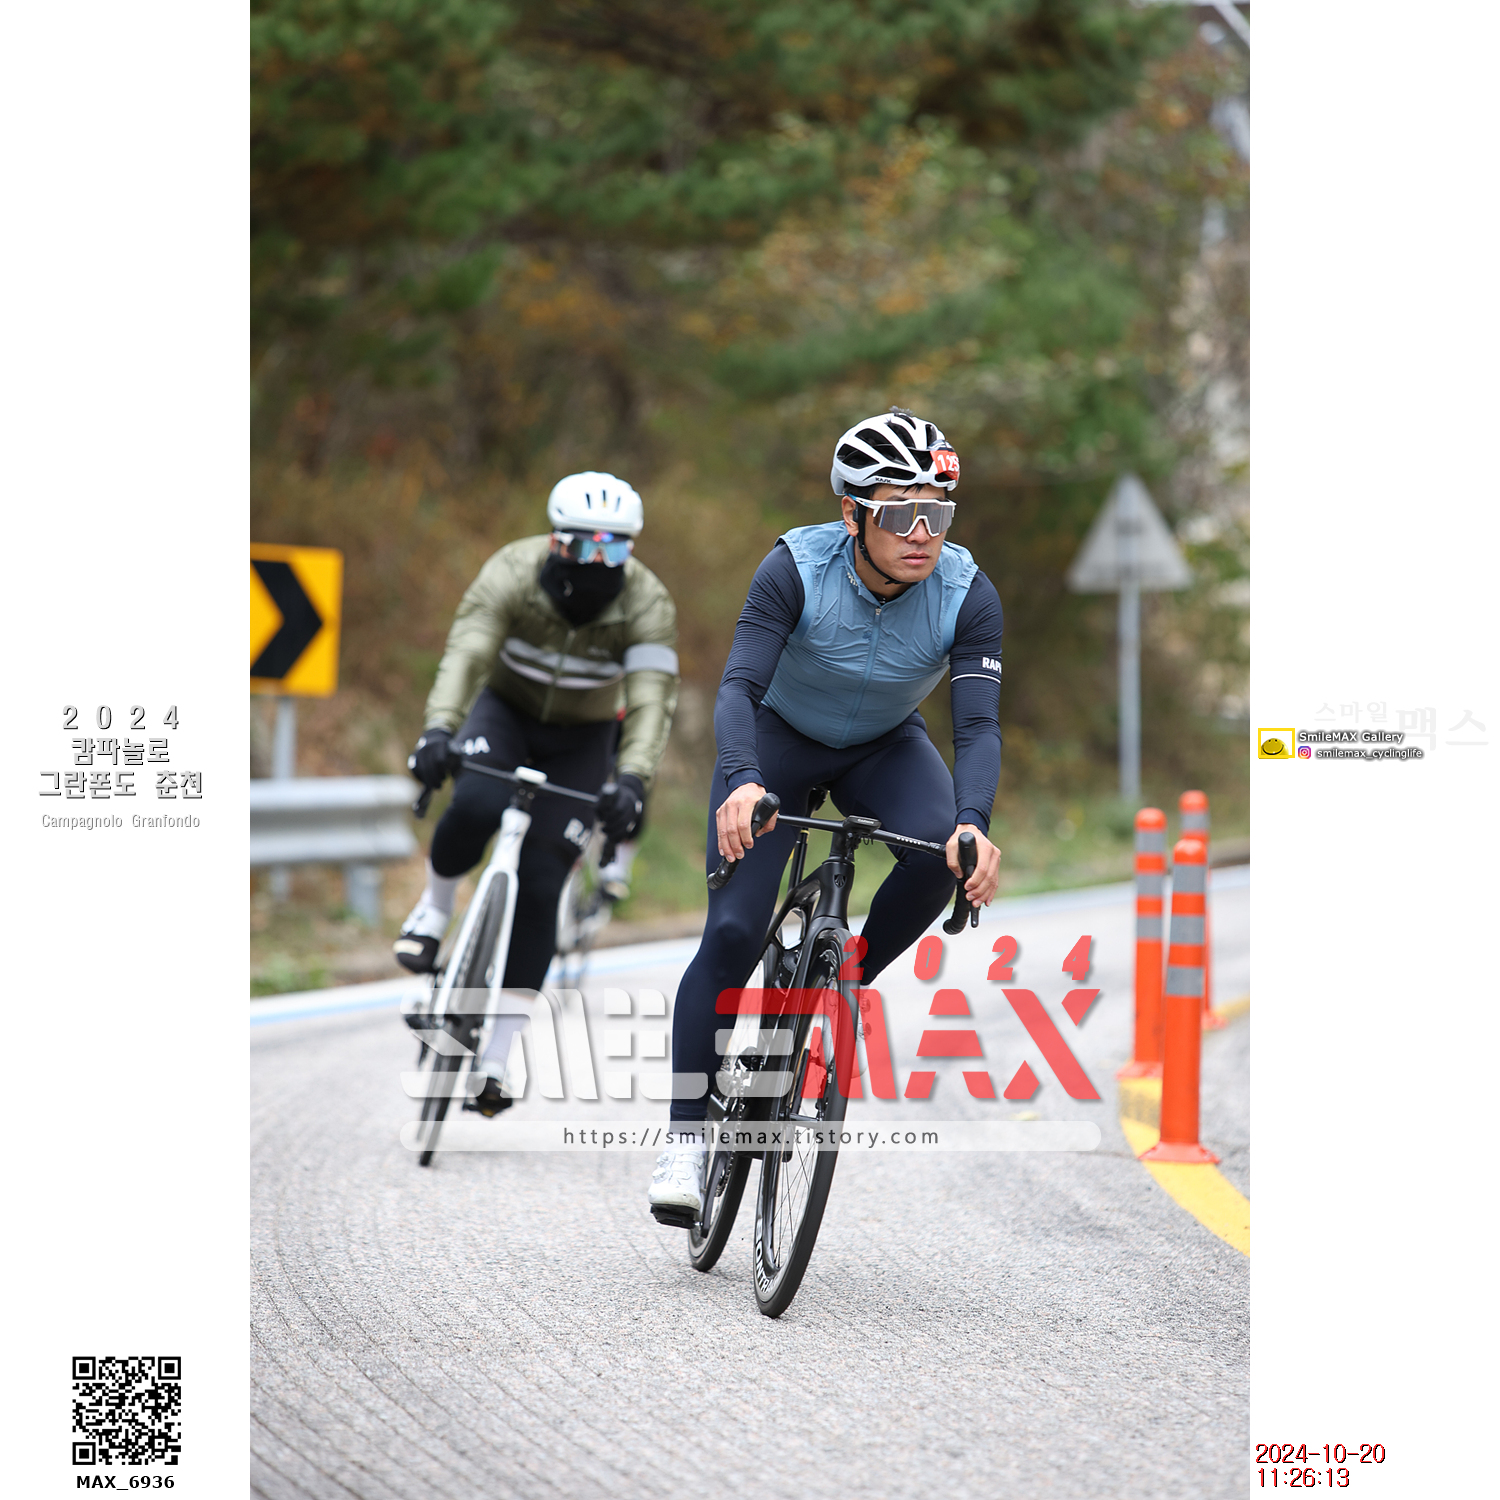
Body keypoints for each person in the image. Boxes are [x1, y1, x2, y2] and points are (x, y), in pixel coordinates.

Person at [648, 408, 1004, 1221]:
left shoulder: (968, 592)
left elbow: (978, 727)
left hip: (884, 745)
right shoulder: (794, 568)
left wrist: (973, 822)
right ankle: (686, 1136)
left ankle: (832, 990)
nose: (923, 534)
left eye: (938, 513)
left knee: (938, 853)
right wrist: (742, 780)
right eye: (900, 515)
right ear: (852, 514)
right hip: (775, 744)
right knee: (733, 933)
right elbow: (738, 687)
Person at [397, 472, 679, 1113]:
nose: (597, 561)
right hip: (505, 713)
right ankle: (434, 911)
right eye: (582, 545)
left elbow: (651, 700)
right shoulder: (512, 570)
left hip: (582, 739)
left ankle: (495, 1060)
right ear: (555, 541)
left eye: (614, 548)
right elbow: (467, 652)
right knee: (474, 805)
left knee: (545, 879)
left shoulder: (648, 602)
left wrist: (632, 778)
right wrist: (439, 728)